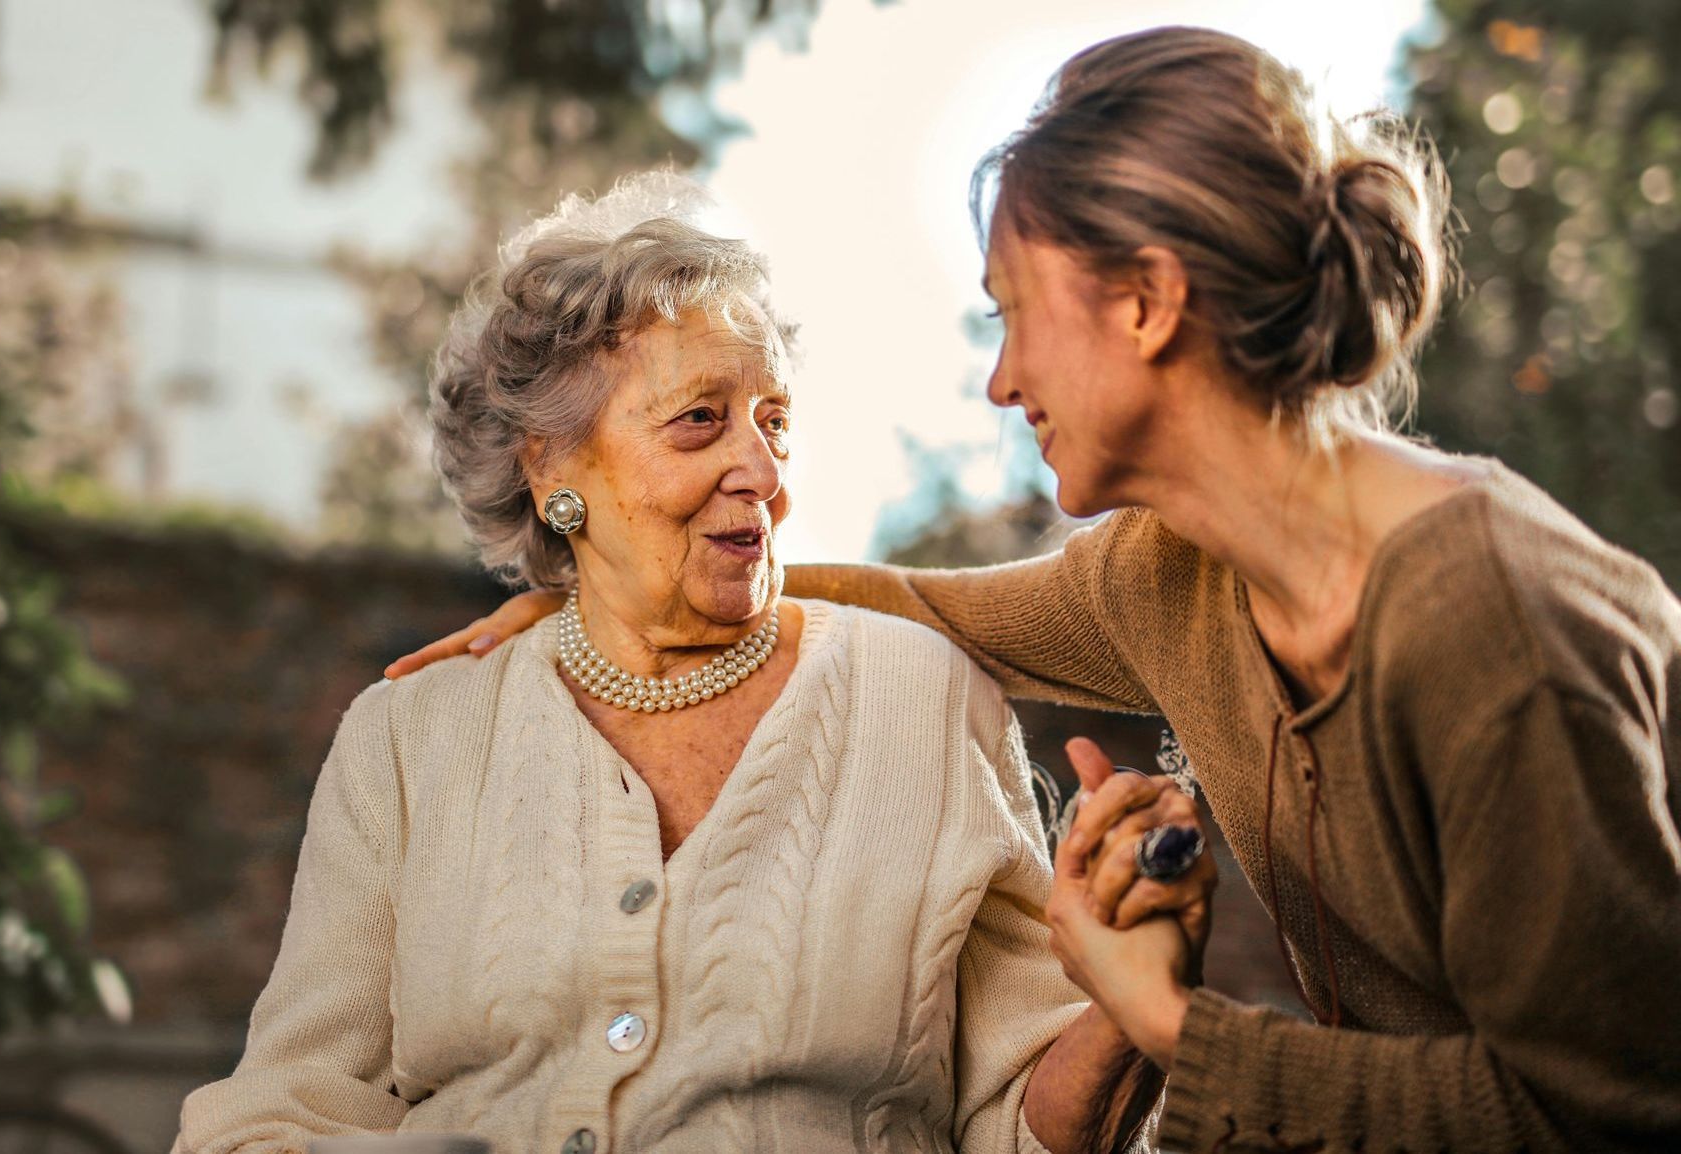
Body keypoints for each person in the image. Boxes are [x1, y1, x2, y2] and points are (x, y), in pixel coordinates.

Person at [386, 28, 1681, 1153]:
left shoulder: (1489, 624)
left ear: (1149, 302)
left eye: (1014, 313)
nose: (1002, 382)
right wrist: (616, 597)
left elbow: (1603, 1111)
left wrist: (1168, 1020)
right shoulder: (1173, 573)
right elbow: (927, 607)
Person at [175, 174, 1182, 1154]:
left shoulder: (925, 700)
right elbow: (289, 1104)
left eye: (774, 421)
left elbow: (1028, 1127)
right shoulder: (409, 737)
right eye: (701, 417)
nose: (764, 471)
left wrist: (1129, 1007)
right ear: (550, 464)